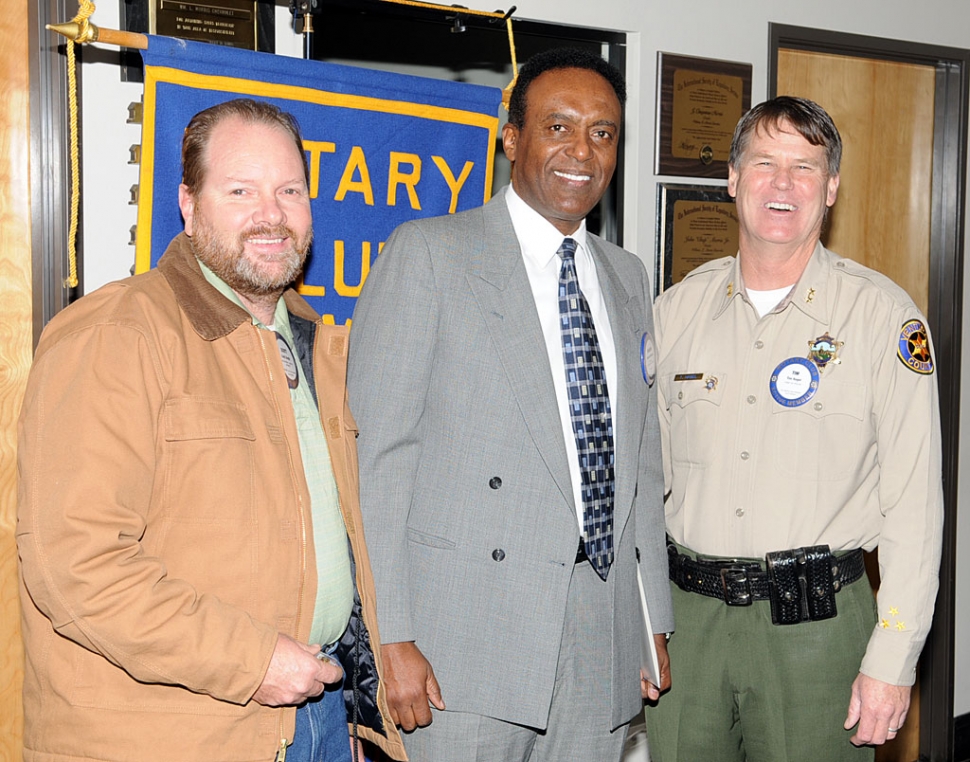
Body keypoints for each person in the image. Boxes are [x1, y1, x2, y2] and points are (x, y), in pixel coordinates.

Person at [17, 98, 406, 762]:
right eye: (240, 191)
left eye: (289, 190)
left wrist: (355, 705)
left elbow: (334, 541)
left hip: (312, 721)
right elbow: (75, 567)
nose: (271, 214)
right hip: (169, 735)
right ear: (189, 206)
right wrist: (254, 661)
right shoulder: (118, 333)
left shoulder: (320, 346)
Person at [346, 48, 673, 762]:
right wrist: (390, 634)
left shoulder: (627, 277)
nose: (581, 152)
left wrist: (652, 618)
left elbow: (641, 463)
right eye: (558, 127)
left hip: (600, 633)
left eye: (603, 133)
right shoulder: (431, 255)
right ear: (512, 137)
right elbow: (378, 461)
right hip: (462, 640)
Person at [646, 96, 943, 762]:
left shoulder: (881, 318)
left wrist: (893, 659)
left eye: (805, 168)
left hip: (819, 626)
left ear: (831, 187)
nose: (782, 184)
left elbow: (914, 511)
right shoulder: (674, 312)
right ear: (731, 177)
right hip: (689, 622)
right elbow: (643, 488)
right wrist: (638, 625)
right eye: (764, 163)